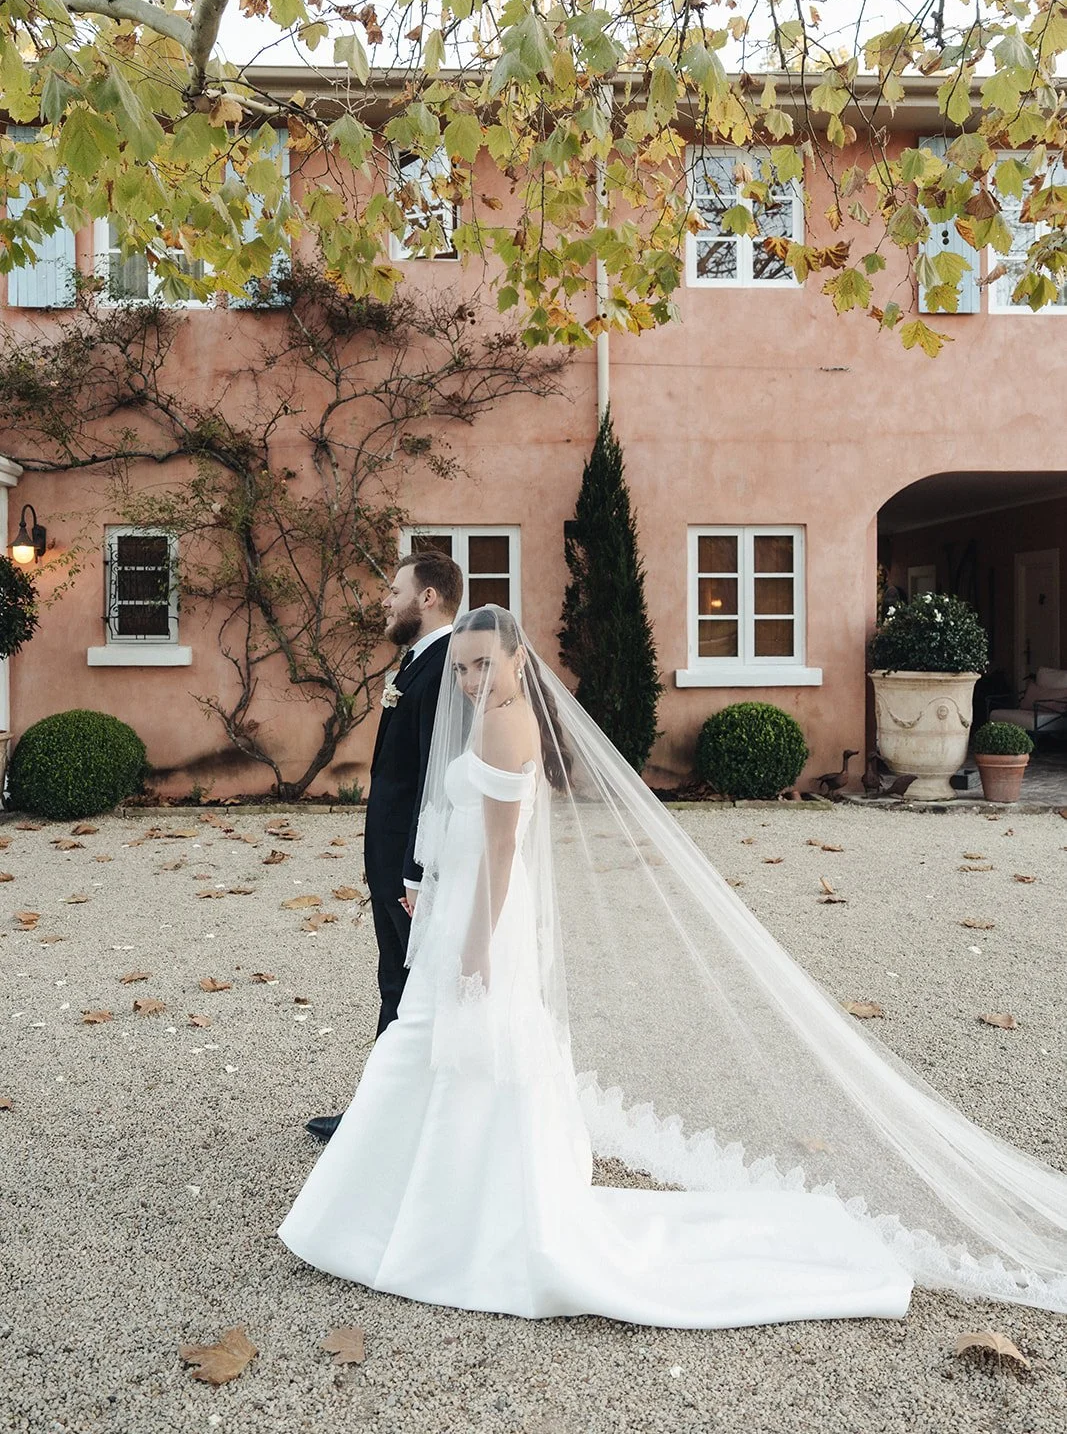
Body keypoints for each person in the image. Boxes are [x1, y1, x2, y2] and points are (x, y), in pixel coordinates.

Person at [283, 606, 1067, 1324]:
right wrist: (438, 894)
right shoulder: (492, 717)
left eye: (482, 664)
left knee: (450, 1044)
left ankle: (428, 1222)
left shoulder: (503, 725)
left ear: (518, 661)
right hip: (467, 905)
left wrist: (477, 942)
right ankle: (431, 1212)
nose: (468, 679)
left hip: (484, 918)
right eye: (459, 667)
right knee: (440, 1051)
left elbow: (497, 848)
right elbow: (472, 838)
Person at [304, 550, 461, 1145]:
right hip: (393, 858)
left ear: (427, 597)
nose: (386, 601)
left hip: (409, 866)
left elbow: (433, 776)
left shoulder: (445, 665)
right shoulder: (415, 663)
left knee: (413, 985)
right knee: (395, 980)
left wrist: (414, 870)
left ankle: (392, 1119)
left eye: (396, 591)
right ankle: (386, 1109)